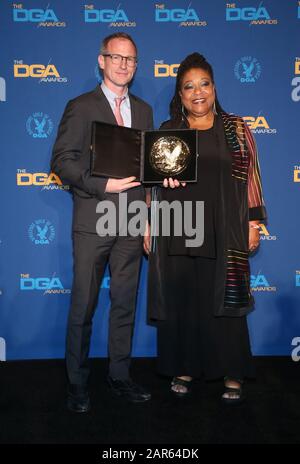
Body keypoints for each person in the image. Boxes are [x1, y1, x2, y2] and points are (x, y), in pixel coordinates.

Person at [144, 52, 266, 404]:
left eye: (204, 84)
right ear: (180, 95)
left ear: (214, 87)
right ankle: (184, 367)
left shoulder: (237, 128)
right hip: (177, 228)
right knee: (182, 299)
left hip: (223, 227)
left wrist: (253, 222)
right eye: (188, 87)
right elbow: (152, 187)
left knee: (225, 303)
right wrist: (150, 225)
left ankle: (232, 371)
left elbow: (252, 180)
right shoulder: (169, 131)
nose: (198, 92)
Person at [51, 32, 153, 413]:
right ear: (101, 60)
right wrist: (101, 183)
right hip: (93, 219)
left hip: (131, 220)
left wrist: (147, 217)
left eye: (131, 59)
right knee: (84, 305)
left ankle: (120, 375)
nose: (124, 64)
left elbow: (147, 170)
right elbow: (61, 161)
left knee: (125, 303)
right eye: (116, 57)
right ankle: (77, 382)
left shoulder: (143, 110)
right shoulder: (80, 106)